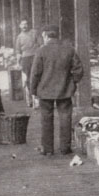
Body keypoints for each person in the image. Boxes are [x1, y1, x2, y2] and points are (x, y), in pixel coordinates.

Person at [29, 25, 84, 156]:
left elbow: (35, 73)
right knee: (65, 117)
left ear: (45, 35)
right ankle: (65, 148)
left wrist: (33, 90)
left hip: (45, 90)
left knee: (46, 119)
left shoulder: (41, 51)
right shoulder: (69, 49)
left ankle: (47, 149)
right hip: (65, 89)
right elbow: (79, 70)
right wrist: (72, 83)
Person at [14, 18, 40, 107]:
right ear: (19, 26)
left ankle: (38, 98)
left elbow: (40, 44)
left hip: (36, 57)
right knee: (28, 79)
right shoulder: (19, 37)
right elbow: (18, 51)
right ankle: (31, 99)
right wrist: (18, 62)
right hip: (25, 59)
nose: (24, 26)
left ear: (28, 25)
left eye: (26, 24)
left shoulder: (34, 32)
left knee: (37, 76)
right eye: (22, 24)